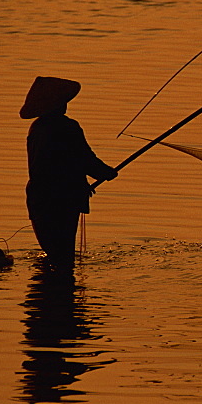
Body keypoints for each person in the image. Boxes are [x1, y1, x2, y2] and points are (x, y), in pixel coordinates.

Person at [20, 76, 118, 271]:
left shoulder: (37, 128)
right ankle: (61, 294)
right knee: (63, 256)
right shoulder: (67, 127)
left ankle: (52, 293)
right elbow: (85, 159)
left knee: (54, 253)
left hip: (40, 198)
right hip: (63, 200)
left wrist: (101, 172)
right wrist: (106, 172)